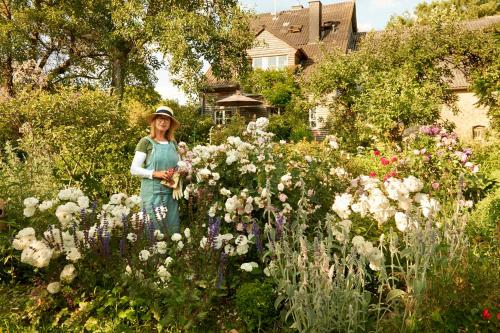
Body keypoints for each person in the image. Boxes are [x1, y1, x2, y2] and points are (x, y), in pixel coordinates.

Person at [130, 106, 181, 234]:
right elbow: (134, 169)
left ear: (170, 124)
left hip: (171, 194)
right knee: (152, 233)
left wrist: (181, 171)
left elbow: (178, 166)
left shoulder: (173, 143)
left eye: (166, 120)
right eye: (160, 118)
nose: (163, 122)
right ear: (154, 121)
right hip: (152, 196)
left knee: (171, 233)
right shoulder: (146, 142)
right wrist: (155, 173)